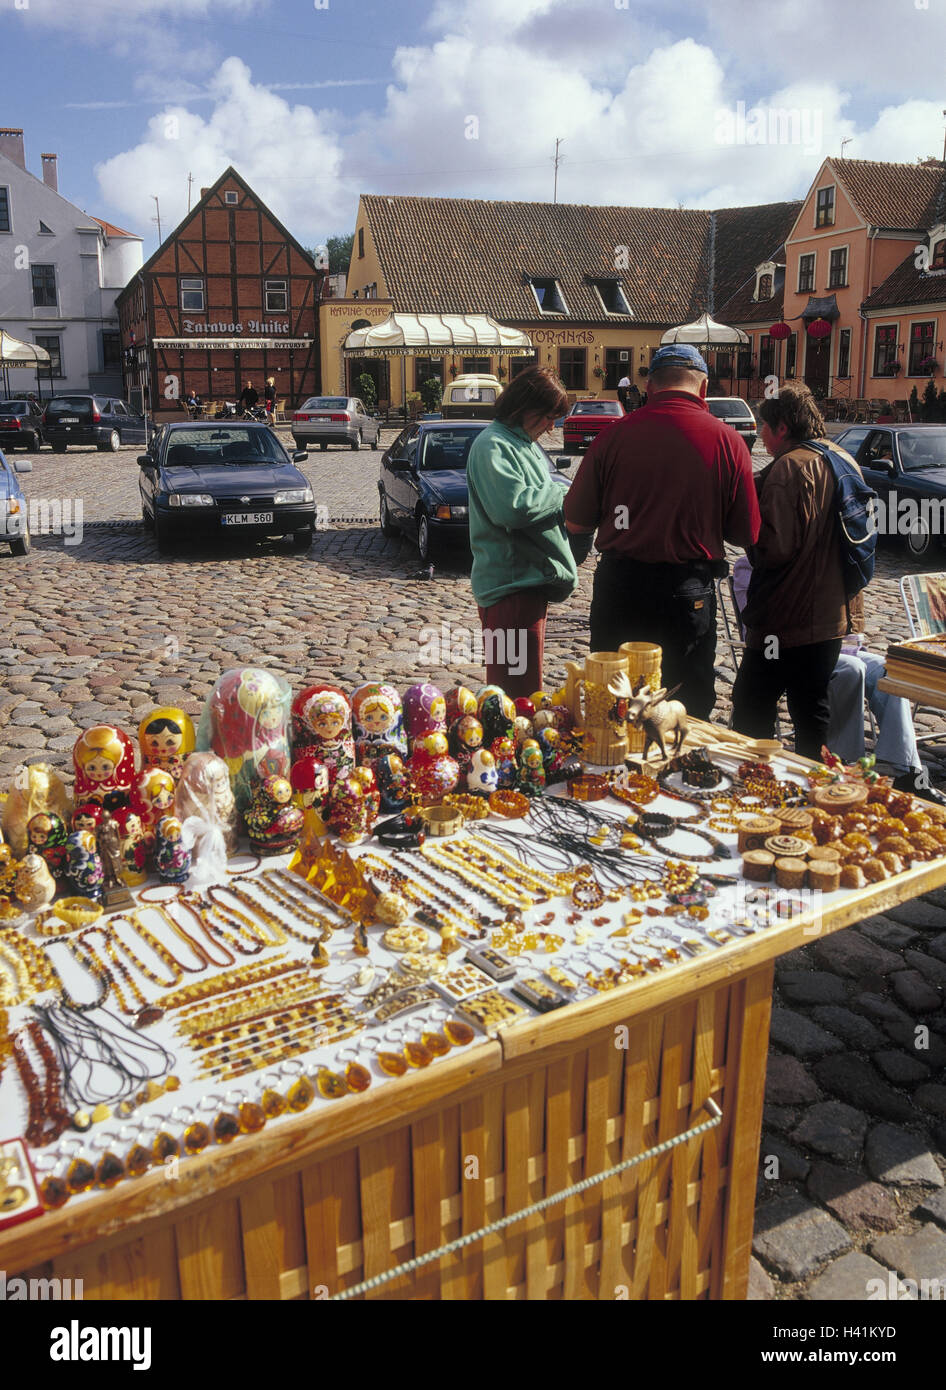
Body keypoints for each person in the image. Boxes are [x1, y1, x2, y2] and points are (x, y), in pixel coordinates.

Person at [564, 343, 760, 720]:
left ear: (650, 387)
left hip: (622, 587)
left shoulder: (612, 437)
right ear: (703, 389)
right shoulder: (729, 442)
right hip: (686, 594)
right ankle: (679, 775)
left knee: (613, 703)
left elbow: (576, 520)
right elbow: (745, 534)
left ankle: (611, 775)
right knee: (683, 704)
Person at [730, 381, 864, 760]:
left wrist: (745, 531)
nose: (761, 436)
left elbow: (774, 550)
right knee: (811, 707)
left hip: (785, 621)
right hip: (832, 617)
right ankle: (813, 787)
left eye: (764, 427)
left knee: (751, 704)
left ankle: (757, 781)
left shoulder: (789, 469)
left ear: (783, 427)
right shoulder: (842, 458)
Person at [466, 365, 581, 699]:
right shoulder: (494, 445)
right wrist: (564, 493)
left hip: (526, 587)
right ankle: (508, 751)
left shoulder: (521, 443)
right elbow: (512, 508)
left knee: (525, 692)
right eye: (547, 416)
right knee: (516, 698)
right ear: (523, 408)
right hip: (510, 589)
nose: (551, 426)